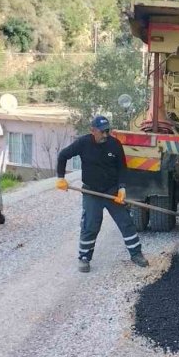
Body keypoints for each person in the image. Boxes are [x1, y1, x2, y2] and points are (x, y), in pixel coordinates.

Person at [56, 115, 149, 273]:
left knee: (126, 222)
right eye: (102, 132)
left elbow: (122, 168)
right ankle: (84, 258)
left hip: (112, 192)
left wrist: (122, 188)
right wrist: (60, 178)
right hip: (91, 191)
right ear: (93, 131)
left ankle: (136, 254)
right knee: (90, 225)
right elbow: (63, 155)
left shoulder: (114, 144)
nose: (106, 135)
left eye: (108, 131)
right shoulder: (83, 143)